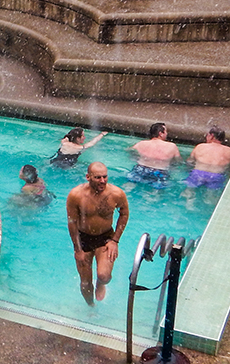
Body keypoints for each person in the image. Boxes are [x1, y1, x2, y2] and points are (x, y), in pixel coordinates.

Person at [65, 162, 129, 305]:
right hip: (83, 238)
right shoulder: (76, 195)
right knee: (86, 284)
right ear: (88, 177)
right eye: (98, 177)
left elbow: (124, 214)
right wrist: (77, 249)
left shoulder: (116, 194)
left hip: (105, 237)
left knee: (104, 276)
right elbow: (72, 222)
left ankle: (101, 284)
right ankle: (91, 306)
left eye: (105, 177)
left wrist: (115, 241)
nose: (102, 181)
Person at [127, 122, 182, 187]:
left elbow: (129, 151)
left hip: (141, 169)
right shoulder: (172, 146)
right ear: (160, 134)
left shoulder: (141, 143)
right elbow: (178, 162)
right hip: (159, 172)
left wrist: (136, 158)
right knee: (156, 193)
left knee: (129, 185)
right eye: (166, 131)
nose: (167, 134)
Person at [185, 127, 230, 193]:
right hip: (216, 175)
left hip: (198, 173)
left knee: (189, 192)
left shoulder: (200, 146)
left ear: (211, 136)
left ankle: (189, 202)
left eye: (207, 135)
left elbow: (190, 162)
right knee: (211, 197)